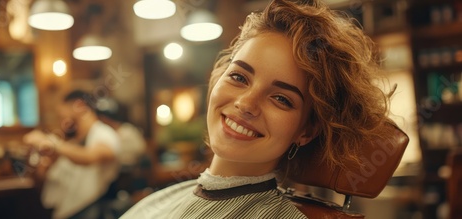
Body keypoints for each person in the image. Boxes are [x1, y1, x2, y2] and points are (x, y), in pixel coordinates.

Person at [121, 0, 398, 218]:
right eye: (239, 77)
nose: (246, 103)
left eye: (281, 99)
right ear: (218, 76)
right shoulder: (164, 198)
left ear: (306, 130)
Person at [23, 90, 121, 219]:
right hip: (64, 211)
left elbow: (90, 157)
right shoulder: (72, 141)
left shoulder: (104, 134)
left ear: (80, 106)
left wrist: (53, 143)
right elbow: (43, 175)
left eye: (62, 114)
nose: (61, 119)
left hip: (90, 211)